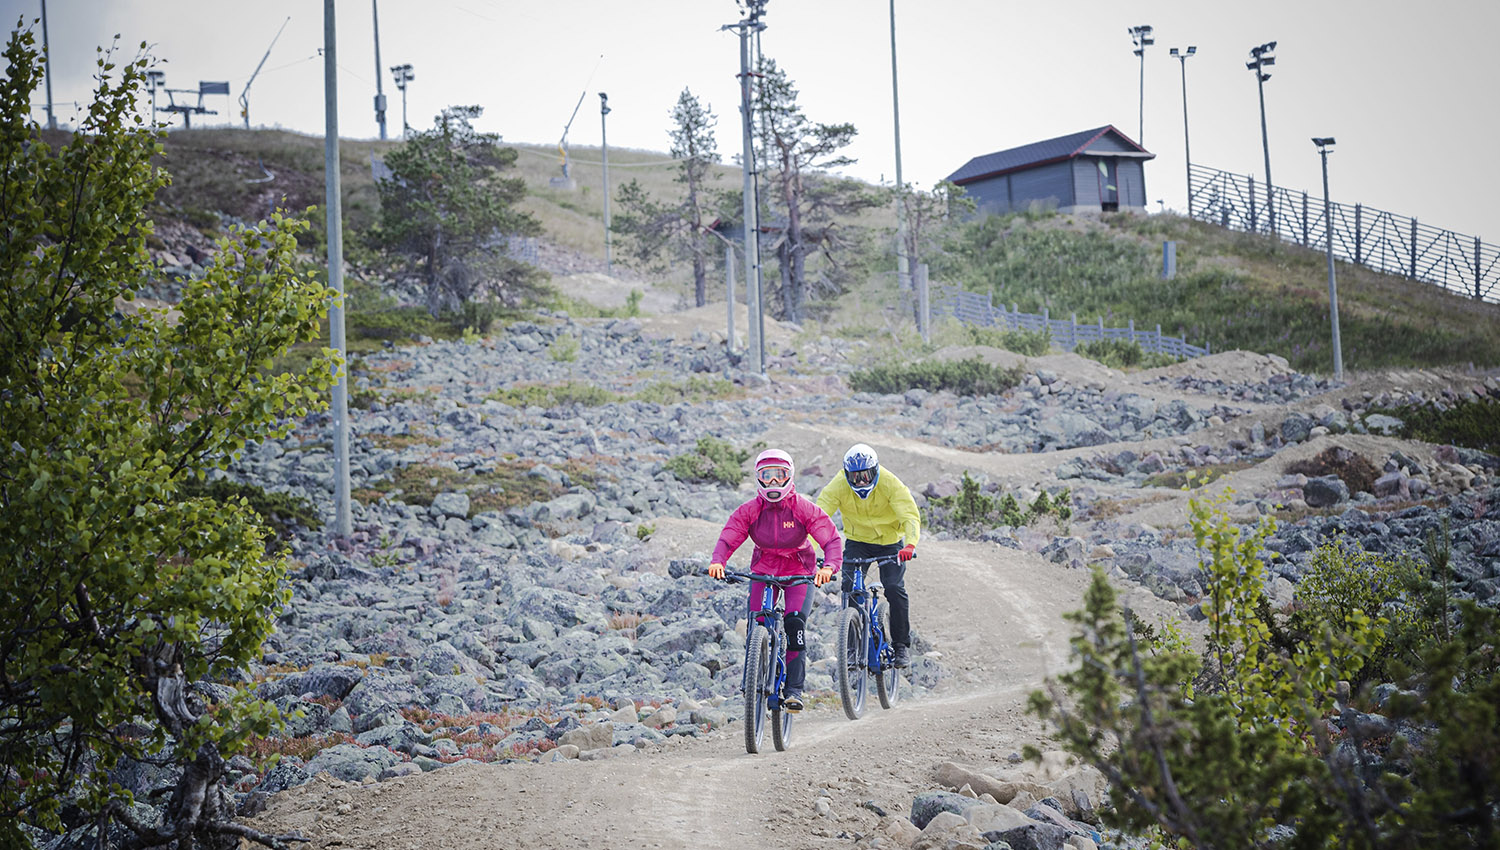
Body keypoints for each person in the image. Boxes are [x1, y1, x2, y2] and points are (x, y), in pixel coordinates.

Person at [709, 449, 843, 712]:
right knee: (757, 621)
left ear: (789, 477)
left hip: (799, 571)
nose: (772, 483)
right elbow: (730, 536)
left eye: (778, 476)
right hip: (764, 569)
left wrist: (829, 566)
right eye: (766, 476)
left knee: (794, 623)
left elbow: (830, 539)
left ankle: (794, 691)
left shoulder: (803, 508)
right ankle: (754, 678)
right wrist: (718, 561)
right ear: (758, 478)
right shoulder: (750, 510)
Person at [816, 443, 921, 668]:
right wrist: (807, 546)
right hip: (858, 542)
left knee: (894, 588)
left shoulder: (890, 482)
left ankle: (901, 645)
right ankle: (853, 645)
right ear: (846, 474)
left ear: (875, 471)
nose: (861, 481)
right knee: (849, 587)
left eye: (866, 475)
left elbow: (909, 515)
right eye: (855, 477)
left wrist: (910, 544)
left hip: (891, 543)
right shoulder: (839, 485)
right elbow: (819, 516)